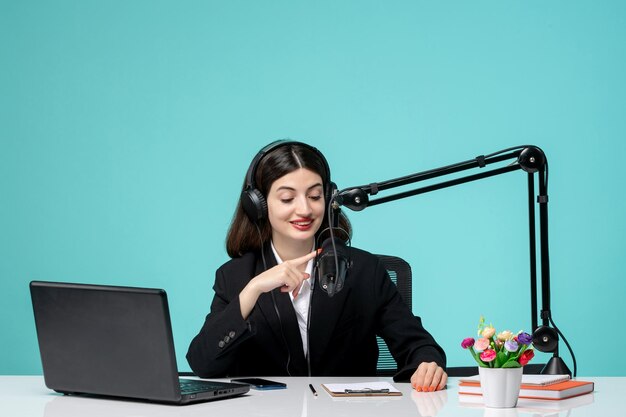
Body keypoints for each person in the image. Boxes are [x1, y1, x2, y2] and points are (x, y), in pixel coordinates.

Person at [186, 140, 448, 391]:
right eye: (287, 199)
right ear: (259, 205)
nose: (304, 209)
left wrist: (427, 364)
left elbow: (419, 346)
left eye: (314, 196)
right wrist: (253, 290)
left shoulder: (364, 270)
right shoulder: (236, 276)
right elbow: (202, 363)